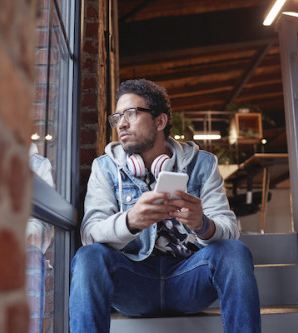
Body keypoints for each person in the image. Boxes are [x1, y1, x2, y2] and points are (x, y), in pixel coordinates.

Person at [69, 79, 261, 333]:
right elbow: (89, 233)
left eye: (131, 114)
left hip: (188, 280)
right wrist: (131, 221)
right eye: (117, 117)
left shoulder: (202, 165)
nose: (122, 123)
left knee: (234, 251)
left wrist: (203, 225)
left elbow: (228, 229)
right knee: (88, 256)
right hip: (134, 284)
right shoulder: (104, 167)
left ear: (160, 122)